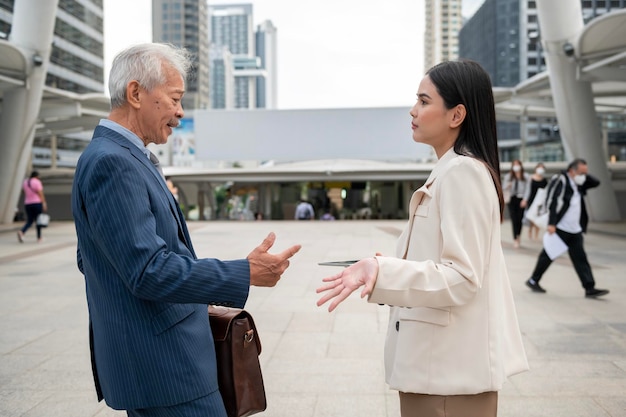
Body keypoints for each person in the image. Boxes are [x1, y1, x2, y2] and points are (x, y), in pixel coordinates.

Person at [71, 43, 301, 416]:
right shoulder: (114, 163)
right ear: (135, 93)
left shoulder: (122, 156)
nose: (180, 112)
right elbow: (146, 271)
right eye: (175, 98)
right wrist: (244, 273)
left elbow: (93, 259)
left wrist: (187, 285)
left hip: (163, 362)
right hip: (166, 370)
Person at [316, 60, 528, 417]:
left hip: (447, 375)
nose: (413, 111)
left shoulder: (463, 173)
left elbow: (463, 277)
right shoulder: (450, 170)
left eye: (424, 101)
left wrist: (383, 272)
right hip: (438, 370)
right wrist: (388, 268)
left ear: (456, 115)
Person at [525, 158, 609, 298]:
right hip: (560, 228)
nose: (583, 176)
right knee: (548, 255)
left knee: (580, 258)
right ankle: (533, 279)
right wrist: (551, 223)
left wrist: (583, 174)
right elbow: (552, 201)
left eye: (585, 173)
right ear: (571, 170)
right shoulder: (561, 180)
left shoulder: (579, 183)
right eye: (581, 173)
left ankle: (589, 288)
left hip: (575, 229)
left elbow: (596, 182)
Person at [503, 159, 530, 248]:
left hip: (521, 199)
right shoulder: (509, 176)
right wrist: (508, 185)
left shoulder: (526, 176)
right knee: (514, 219)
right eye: (514, 164)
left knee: (520, 219)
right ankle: (515, 238)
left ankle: (518, 235)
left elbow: (528, 189)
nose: (516, 166)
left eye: (517, 164)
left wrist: (525, 200)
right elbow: (503, 187)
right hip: (512, 199)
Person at [18, 170, 47, 243]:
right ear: (37, 176)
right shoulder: (37, 182)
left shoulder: (25, 182)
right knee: (38, 221)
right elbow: (40, 193)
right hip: (37, 203)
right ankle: (39, 237)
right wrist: (44, 203)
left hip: (27, 203)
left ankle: (22, 232)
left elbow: (24, 192)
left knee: (30, 220)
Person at [521, 162, 548, 240]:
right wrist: (525, 199)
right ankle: (530, 231)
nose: (541, 169)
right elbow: (527, 189)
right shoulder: (531, 178)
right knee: (530, 217)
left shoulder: (544, 180)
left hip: (539, 201)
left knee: (537, 217)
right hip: (531, 199)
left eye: (542, 168)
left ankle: (536, 234)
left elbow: (546, 191)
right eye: (539, 168)